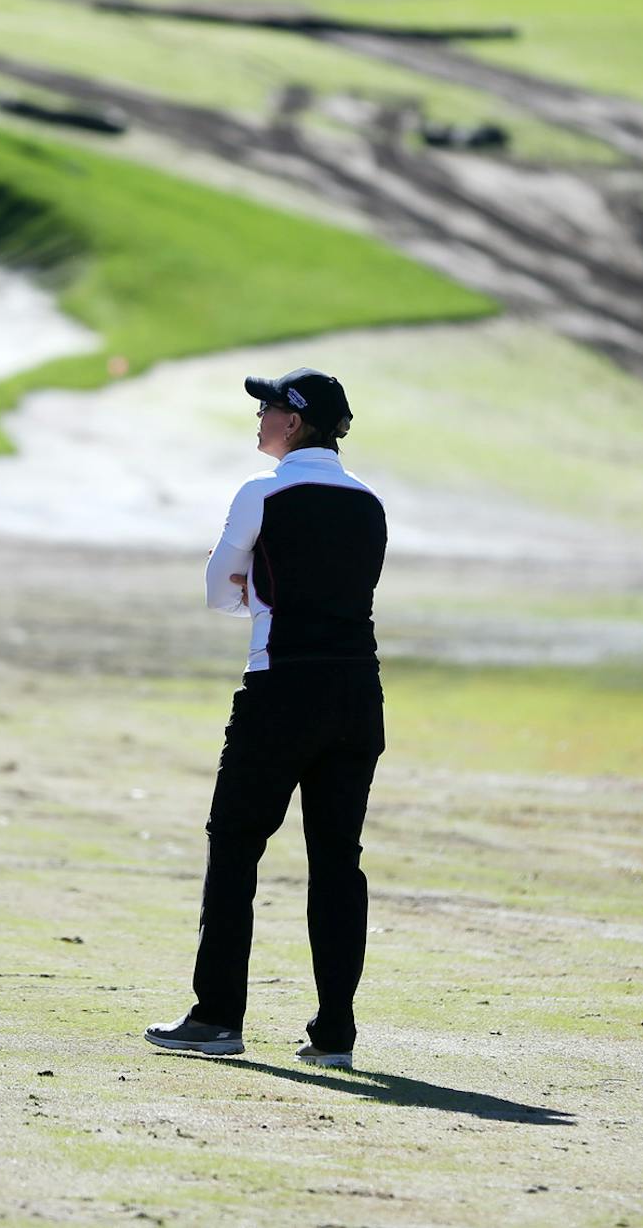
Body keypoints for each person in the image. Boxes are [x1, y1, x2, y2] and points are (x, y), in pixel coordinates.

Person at [146, 367, 387, 1069]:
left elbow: (219, 593)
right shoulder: (369, 501)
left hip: (280, 688)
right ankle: (334, 1032)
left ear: (294, 422)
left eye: (269, 407)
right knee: (338, 861)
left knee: (235, 845)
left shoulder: (263, 493)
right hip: (358, 695)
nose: (260, 418)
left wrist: (256, 594)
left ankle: (218, 1016)